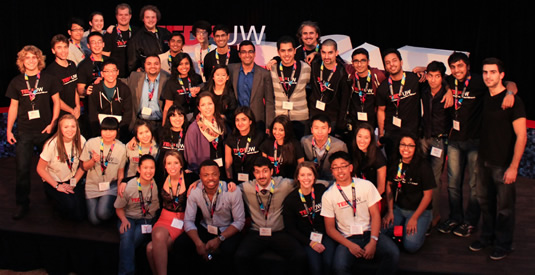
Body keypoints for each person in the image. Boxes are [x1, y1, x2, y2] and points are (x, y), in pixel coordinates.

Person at [437, 52, 515, 238]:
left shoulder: (480, 81)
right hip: (455, 141)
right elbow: (443, 77)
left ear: (468, 66)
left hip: (474, 142)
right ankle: (455, 217)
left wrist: (510, 93)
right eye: (453, 67)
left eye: (460, 66)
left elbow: (511, 83)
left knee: (474, 185)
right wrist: (447, 88)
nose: (457, 70)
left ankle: (470, 222)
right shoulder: (450, 80)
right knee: (453, 184)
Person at [469, 58, 526, 260]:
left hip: (503, 163)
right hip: (483, 160)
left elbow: (522, 135)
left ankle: (504, 244)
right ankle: (487, 237)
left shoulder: (513, 101)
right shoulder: (485, 95)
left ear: (501, 75)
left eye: (492, 72)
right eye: (485, 72)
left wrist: (514, 166)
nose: (488, 76)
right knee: (486, 202)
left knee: (505, 207)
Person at [6, 45, 61, 220]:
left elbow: (57, 103)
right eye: (27, 58)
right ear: (22, 61)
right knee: (22, 169)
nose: (30, 60)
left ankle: (54, 199)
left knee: (51, 168)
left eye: (33, 57)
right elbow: (13, 107)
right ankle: (22, 204)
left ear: (39, 59)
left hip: (46, 130)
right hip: (25, 132)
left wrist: (52, 124)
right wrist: (9, 130)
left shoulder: (49, 79)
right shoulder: (16, 82)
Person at [321, 151, 399, 275]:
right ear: (332, 171)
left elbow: (375, 215)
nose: (340, 171)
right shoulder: (328, 195)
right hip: (347, 238)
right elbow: (330, 229)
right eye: (335, 167)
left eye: (343, 166)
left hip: (369, 233)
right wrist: (350, 245)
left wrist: (373, 241)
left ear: (350, 167)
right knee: (339, 267)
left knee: (393, 254)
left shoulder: (366, 185)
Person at [235, 157, 306, 275]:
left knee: (300, 256)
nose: (261, 175)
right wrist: (197, 182)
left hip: (279, 232)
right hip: (256, 233)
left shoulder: (285, 185)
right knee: (240, 257)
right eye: (257, 172)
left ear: (271, 172)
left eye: (265, 171)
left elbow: (306, 182)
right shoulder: (246, 187)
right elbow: (223, 187)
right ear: (253, 174)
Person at [184, 160, 245, 272]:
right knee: (182, 244)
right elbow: (188, 220)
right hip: (205, 227)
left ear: (219, 174)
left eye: (214, 174)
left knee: (228, 251)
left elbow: (239, 222)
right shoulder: (195, 191)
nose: (210, 178)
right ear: (200, 177)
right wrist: (198, 242)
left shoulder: (232, 191)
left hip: (226, 229)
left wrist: (220, 239)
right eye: (206, 175)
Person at [383, 134, 435, 253]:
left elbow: (428, 196)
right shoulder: (395, 162)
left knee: (411, 246)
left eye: (410, 145)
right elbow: (389, 186)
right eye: (403, 144)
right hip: (398, 209)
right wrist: (390, 211)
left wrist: (414, 218)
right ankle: (402, 227)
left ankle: (425, 225)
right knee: (382, 231)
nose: (406, 148)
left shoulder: (424, 166)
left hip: (419, 212)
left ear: (416, 148)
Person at [282, 162, 335, 275]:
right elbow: (290, 229)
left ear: (314, 176)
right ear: (297, 177)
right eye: (302, 175)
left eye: (309, 174)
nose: (306, 178)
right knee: (315, 268)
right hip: (306, 239)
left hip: (325, 235)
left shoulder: (321, 190)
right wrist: (311, 243)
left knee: (329, 263)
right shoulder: (291, 200)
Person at [419, 61, 452, 230]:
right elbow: (416, 70)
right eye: (430, 76)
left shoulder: (447, 94)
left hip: (439, 140)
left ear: (442, 77)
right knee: (422, 175)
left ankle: (435, 214)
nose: (433, 80)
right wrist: (423, 71)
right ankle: (422, 211)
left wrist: (448, 90)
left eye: (437, 76)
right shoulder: (424, 89)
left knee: (435, 179)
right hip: (424, 137)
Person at [115, 154, 159, 275]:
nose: (149, 171)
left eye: (152, 168)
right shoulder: (129, 187)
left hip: (146, 220)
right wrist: (123, 220)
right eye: (145, 168)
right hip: (128, 217)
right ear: (139, 169)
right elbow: (118, 208)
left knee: (129, 243)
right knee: (127, 237)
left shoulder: (156, 184)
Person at [36, 114, 86, 221]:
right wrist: (57, 186)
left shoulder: (81, 140)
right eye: (66, 127)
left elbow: (83, 165)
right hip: (54, 181)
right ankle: (52, 197)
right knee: (70, 208)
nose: (70, 130)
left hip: (71, 180)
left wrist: (73, 183)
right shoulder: (52, 144)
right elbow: (40, 169)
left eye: (73, 126)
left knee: (81, 214)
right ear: (60, 129)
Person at [146, 150, 188, 275]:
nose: (172, 166)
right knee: (157, 237)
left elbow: (206, 178)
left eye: (176, 163)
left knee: (150, 248)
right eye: (169, 163)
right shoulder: (161, 178)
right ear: (164, 165)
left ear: (181, 164)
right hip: (164, 218)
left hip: (181, 221)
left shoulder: (190, 177)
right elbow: (141, 175)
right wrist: (125, 181)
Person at [376, 48, 422, 160]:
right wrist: (381, 134)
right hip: (392, 134)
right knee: (393, 165)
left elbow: (437, 75)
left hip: (413, 133)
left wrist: (424, 69)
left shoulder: (414, 79)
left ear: (401, 62)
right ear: (385, 67)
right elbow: (381, 110)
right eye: (388, 63)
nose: (392, 65)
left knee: (413, 166)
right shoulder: (383, 87)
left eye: (394, 60)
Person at [81, 117, 126, 225]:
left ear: (117, 131)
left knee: (102, 213)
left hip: (110, 187)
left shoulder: (121, 148)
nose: (108, 134)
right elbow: (84, 167)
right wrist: (92, 161)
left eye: (111, 130)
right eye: (105, 130)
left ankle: (112, 210)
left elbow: (121, 172)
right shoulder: (91, 143)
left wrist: (120, 189)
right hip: (92, 186)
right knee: (94, 220)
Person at [339, 48, 386, 144]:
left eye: (362, 61)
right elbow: (336, 60)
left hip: (372, 122)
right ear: (352, 62)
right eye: (356, 61)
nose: (359, 64)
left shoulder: (377, 75)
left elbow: (394, 74)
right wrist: (316, 53)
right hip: (354, 121)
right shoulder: (350, 73)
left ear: (368, 61)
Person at [228, 40, 275, 132]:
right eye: (244, 52)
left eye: (250, 52)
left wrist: (269, 125)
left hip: (257, 121)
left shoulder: (264, 74)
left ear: (254, 54)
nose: (247, 55)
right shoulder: (231, 69)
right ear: (239, 55)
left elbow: (269, 102)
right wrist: (199, 88)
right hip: (237, 122)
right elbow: (215, 79)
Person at [270, 35, 311, 139]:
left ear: (294, 51)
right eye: (283, 51)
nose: (286, 54)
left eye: (289, 50)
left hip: (300, 118)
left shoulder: (306, 68)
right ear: (278, 52)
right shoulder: (272, 69)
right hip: (280, 118)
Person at [87, 59, 133, 141]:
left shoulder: (124, 89)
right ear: (102, 73)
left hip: (119, 129)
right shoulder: (94, 90)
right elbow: (92, 113)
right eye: (107, 71)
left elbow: (128, 113)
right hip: (100, 129)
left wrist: (119, 132)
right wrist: (98, 133)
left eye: (113, 71)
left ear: (117, 72)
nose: (111, 74)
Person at [308, 39, 349, 129]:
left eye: (330, 53)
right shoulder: (314, 64)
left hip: (332, 117)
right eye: (323, 52)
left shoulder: (342, 73)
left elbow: (344, 100)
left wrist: (341, 121)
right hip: (314, 113)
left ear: (336, 53)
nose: (326, 56)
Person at [184, 92, 226, 175]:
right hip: (204, 174)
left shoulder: (222, 123)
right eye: (203, 105)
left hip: (222, 170)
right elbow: (191, 155)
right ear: (199, 108)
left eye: (210, 104)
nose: (207, 107)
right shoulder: (194, 128)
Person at [77, 31, 109, 138]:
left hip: (110, 107)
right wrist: (86, 91)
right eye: (93, 43)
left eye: (99, 42)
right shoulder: (83, 65)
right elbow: (80, 89)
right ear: (88, 46)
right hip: (92, 111)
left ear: (103, 44)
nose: (97, 45)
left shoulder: (110, 62)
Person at [126, 54, 170, 130]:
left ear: (160, 65)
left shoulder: (167, 79)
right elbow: (119, 82)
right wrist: (101, 80)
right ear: (144, 65)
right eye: (149, 64)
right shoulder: (135, 77)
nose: (152, 66)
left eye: (156, 64)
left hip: (159, 124)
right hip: (140, 122)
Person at [301, 114, 348, 181]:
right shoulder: (304, 142)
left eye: (323, 128)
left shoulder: (340, 146)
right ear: (311, 130)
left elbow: (345, 168)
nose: (320, 132)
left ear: (329, 130)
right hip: (310, 180)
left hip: (331, 182)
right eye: (316, 128)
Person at [224, 106, 265, 183]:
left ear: (250, 121)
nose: (240, 123)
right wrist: (230, 180)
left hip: (256, 180)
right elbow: (228, 162)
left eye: (243, 120)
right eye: (237, 120)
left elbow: (265, 160)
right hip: (237, 180)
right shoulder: (231, 138)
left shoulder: (260, 136)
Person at [45, 34, 80, 119]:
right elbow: (56, 99)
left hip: (75, 112)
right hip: (60, 115)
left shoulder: (72, 64)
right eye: (59, 48)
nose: (63, 51)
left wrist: (78, 107)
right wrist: (71, 111)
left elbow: (75, 88)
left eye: (65, 47)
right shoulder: (50, 71)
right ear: (53, 50)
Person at [128, 5, 171, 73]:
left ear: (157, 18)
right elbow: (132, 64)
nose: (150, 20)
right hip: (148, 75)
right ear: (143, 19)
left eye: (153, 17)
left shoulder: (165, 33)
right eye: (147, 17)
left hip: (167, 73)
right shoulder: (136, 38)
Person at [161, 52, 203, 123]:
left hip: (197, 117)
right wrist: (164, 125)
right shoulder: (171, 82)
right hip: (179, 119)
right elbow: (168, 106)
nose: (184, 67)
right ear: (176, 66)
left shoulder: (197, 78)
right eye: (180, 64)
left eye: (186, 63)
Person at [351, 123, 387, 197]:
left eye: (366, 138)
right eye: (359, 136)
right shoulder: (354, 151)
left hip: (374, 196)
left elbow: (381, 188)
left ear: (371, 139)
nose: (362, 141)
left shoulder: (378, 157)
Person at [156, 105, 189, 185]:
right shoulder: (160, 132)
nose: (177, 119)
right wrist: (134, 139)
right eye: (173, 115)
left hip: (182, 177)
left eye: (180, 115)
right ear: (169, 118)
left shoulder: (189, 134)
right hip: (162, 176)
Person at [103, 3, 138, 78]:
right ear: (116, 16)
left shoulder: (137, 32)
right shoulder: (110, 33)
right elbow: (105, 56)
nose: (123, 17)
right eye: (120, 15)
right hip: (116, 76)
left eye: (126, 15)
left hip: (134, 76)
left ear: (130, 16)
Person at [121, 120, 159, 187]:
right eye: (141, 133)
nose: (145, 136)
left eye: (147, 132)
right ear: (136, 135)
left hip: (149, 184)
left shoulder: (157, 148)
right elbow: (121, 167)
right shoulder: (130, 146)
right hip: (130, 183)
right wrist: (123, 181)